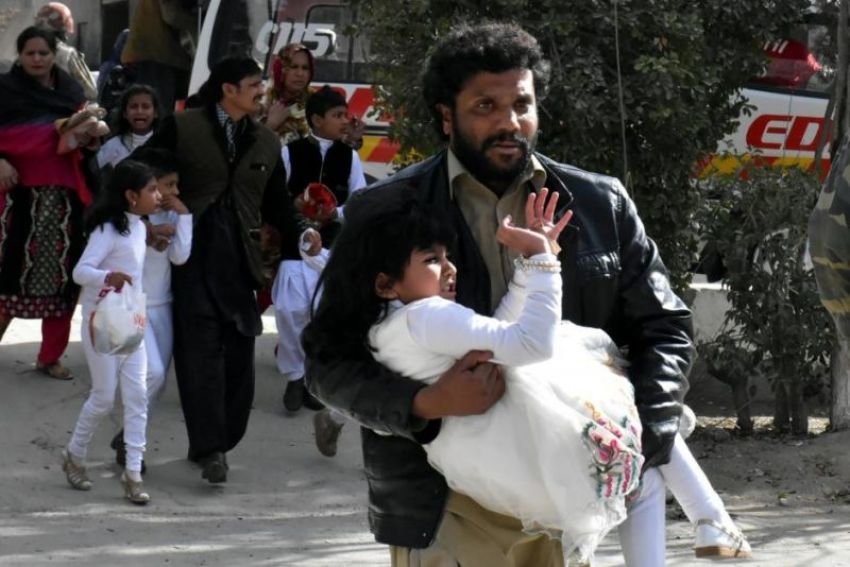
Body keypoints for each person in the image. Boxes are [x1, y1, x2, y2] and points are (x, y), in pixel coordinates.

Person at [302, 22, 694, 566]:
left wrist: (641, 440)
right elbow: (326, 358)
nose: (509, 122)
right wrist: (422, 404)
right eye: (486, 105)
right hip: (442, 503)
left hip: (564, 498)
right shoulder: (388, 212)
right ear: (446, 115)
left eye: (521, 104)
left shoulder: (599, 204)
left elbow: (664, 328)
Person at [143, 56, 303, 484]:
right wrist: (150, 216)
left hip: (240, 261)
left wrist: (303, 234)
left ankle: (221, 441)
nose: (261, 92)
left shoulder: (268, 142)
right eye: (253, 84)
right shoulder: (182, 126)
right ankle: (211, 449)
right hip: (192, 256)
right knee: (199, 356)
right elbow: (141, 171)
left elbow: (279, 206)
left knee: (238, 359)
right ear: (228, 89)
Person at [62, 159, 161, 505]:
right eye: (151, 190)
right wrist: (109, 277)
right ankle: (75, 454)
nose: (159, 195)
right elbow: (80, 272)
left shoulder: (137, 226)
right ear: (131, 196)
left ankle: (132, 474)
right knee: (104, 396)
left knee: (136, 396)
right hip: (101, 320)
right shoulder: (108, 230)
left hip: (131, 318)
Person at [0, 26, 95, 380]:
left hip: (63, 199)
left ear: (55, 55)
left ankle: (50, 356)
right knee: (6, 271)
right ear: (21, 56)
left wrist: (85, 137)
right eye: (30, 53)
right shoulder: (5, 91)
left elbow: (84, 143)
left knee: (62, 279)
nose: (37, 59)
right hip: (13, 196)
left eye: (44, 53)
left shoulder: (72, 93)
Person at [275, 85, 367, 414]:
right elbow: (277, 197)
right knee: (289, 311)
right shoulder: (291, 151)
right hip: (294, 246)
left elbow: (358, 198)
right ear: (316, 119)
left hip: (330, 248)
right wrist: (298, 206)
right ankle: (294, 375)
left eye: (346, 115)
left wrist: (335, 213)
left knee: (321, 314)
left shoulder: (349, 156)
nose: (345, 121)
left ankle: (312, 379)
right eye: (337, 115)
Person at [107, 147, 192, 471]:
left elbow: (180, 256)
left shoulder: (172, 216)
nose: (174, 192)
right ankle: (132, 448)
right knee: (150, 374)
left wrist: (183, 215)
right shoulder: (123, 219)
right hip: (129, 307)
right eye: (168, 185)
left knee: (156, 381)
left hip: (162, 307)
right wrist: (146, 233)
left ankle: (129, 437)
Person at [121, 0, 197, 115]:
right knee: (159, 111)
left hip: (154, 56)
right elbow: (172, 16)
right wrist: (198, 24)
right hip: (158, 56)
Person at [34, 2, 98, 101]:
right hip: (62, 111)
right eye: (65, 31)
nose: (67, 35)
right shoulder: (67, 54)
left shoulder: (24, 55)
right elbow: (90, 92)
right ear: (61, 30)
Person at [97, 84, 161, 169]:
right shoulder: (111, 148)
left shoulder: (164, 146)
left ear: (155, 113)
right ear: (125, 113)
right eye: (133, 107)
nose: (139, 111)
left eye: (146, 107)